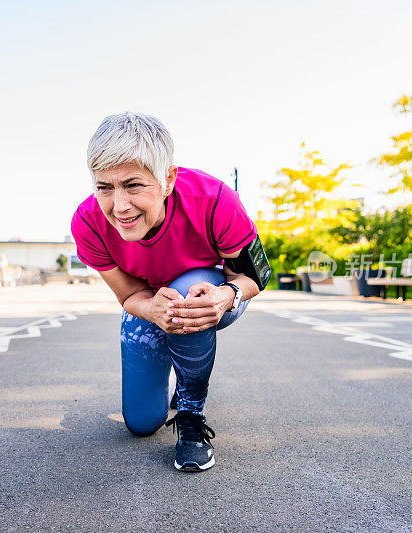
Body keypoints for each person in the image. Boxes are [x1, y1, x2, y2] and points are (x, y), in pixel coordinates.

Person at [71, 112, 269, 472]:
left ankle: (191, 416)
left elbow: (256, 276)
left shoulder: (215, 199)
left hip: (210, 294)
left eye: (133, 185)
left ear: (167, 180)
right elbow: (129, 296)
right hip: (151, 303)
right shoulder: (87, 222)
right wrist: (152, 311)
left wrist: (225, 296)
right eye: (104, 187)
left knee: (185, 300)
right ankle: (175, 373)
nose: (119, 206)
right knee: (142, 423)